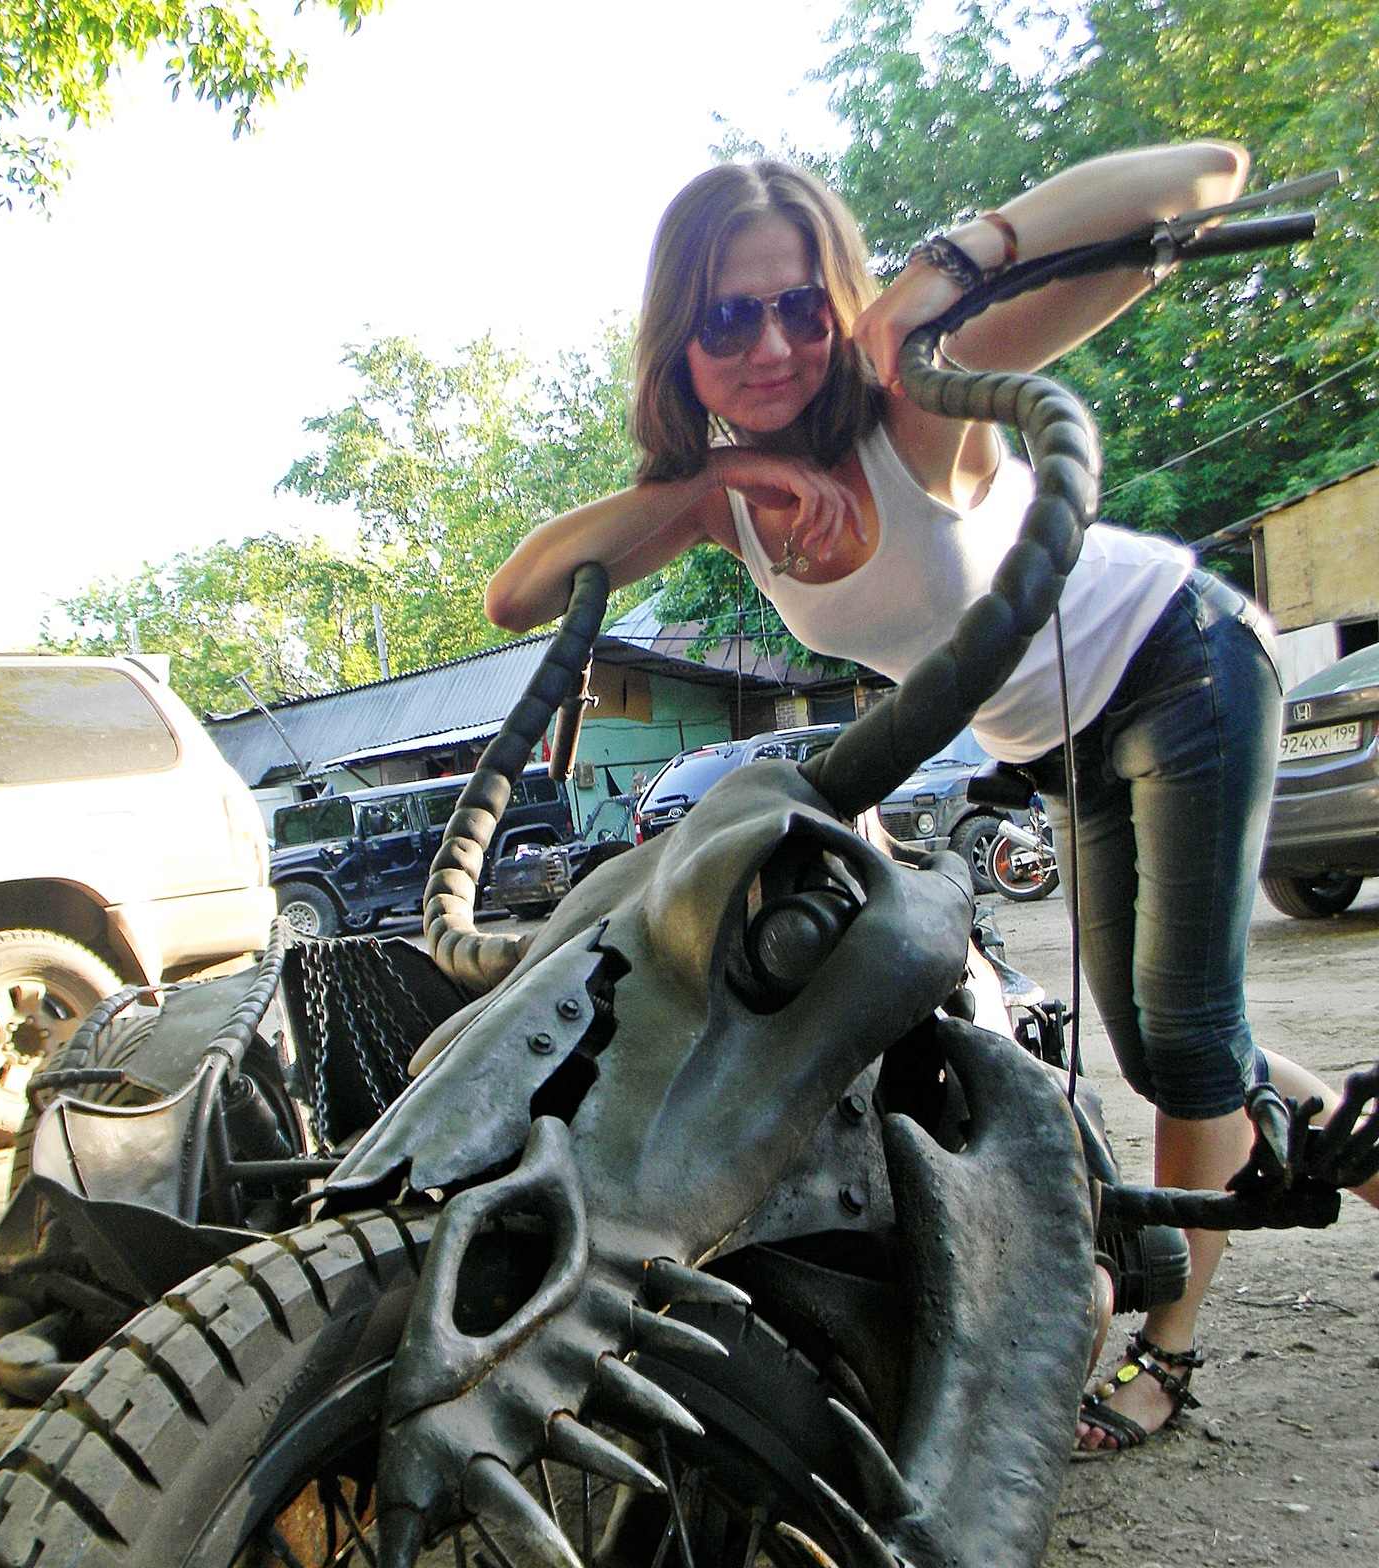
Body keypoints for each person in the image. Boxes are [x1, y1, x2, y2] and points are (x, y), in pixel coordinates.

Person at [485, 148, 1379, 1453]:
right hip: (1063, 739)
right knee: (1170, 1044)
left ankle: (1169, 1354)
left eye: (801, 305)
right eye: (728, 318)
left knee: (1185, 1045)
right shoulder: (729, 506)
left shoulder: (918, 399)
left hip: (1180, 660)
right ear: (680, 342)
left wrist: (947, 270)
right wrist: (718, 482)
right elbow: (516, 593)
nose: (773, 346)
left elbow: (1203, 175)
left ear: (838, 303)